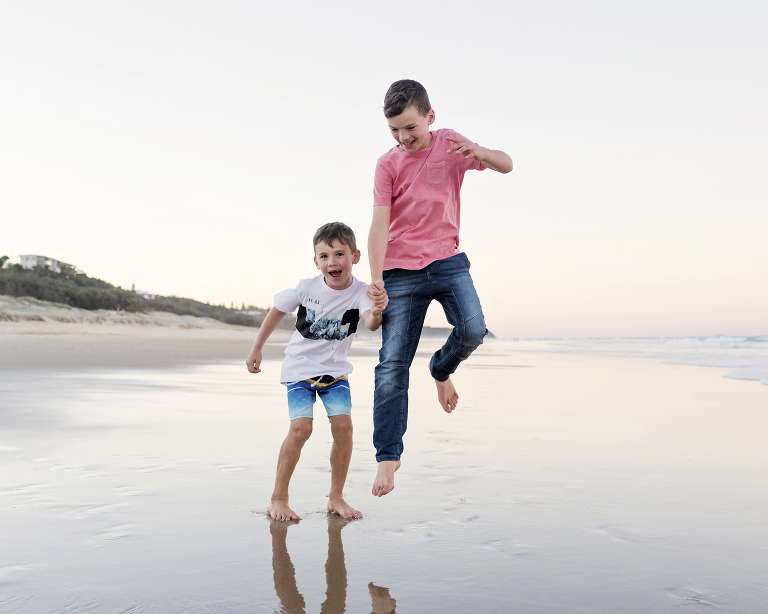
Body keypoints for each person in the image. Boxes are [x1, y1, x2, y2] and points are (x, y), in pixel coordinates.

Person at [367, 79, 513, 497]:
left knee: (473, 330)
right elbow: (378, 225)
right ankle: (388, 455)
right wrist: (376, 279)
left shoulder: (449, 143)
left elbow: (506, 164)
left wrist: (480, 153)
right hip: (399, 269)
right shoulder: (387, 165)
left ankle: (440, 369)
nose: (403, 137)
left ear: (430, 117)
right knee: (392, 363)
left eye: (410, 127)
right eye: (394, 129)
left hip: (447, 260)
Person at [247, 222, 388, 520]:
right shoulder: (306, 288)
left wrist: (377, 310)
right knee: (301, 428)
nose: (332, 262)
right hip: (299, 369)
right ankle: (278, 498)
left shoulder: (361, 292)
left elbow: (372, 323)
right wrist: (257, 347)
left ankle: (336, 497)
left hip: (335, 373)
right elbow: (277, 310)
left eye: (339, 254)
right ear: (316, 261)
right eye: (324, 256)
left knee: (344, 428)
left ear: (355, 256)